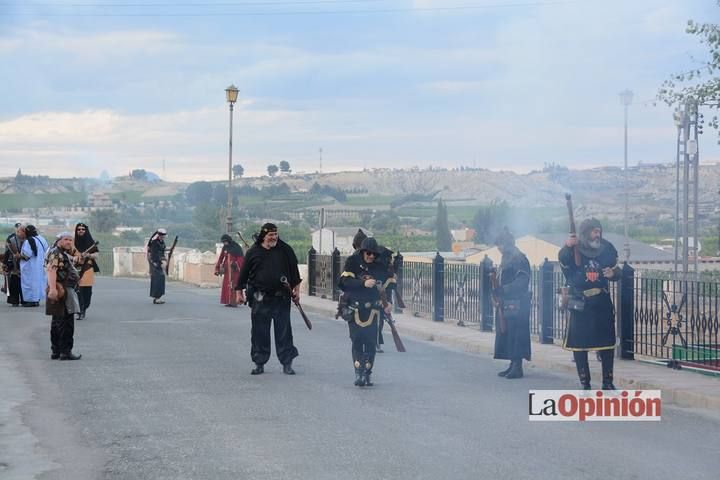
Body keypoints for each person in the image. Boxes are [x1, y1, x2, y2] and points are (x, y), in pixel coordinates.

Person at [559, 218, 620, 390]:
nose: (597, 234)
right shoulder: (573, 249)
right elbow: (563, 261)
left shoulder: (606, 248)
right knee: (579, 346)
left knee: (607, 345)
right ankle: (585, 382)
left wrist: (613, 273)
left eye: (599, 231)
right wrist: (567, 246)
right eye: (594, 231)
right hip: (581, 304)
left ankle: (607, 382)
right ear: (586, 233)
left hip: (601, 303)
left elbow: (618, 270)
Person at [236, 223, 302, 375]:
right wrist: (239, 292)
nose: (274, 238)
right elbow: (244, 274)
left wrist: (297, 292)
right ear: (263, 236)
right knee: (259, 332)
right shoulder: (253, 252)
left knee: (284, 332)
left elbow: (295, 274)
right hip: (260, 298)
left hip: (281, 298)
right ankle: (259, 362)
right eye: (271, 235)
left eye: (276, 234)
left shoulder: (285, 250)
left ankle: (287, 363)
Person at [338, 237, 392, 387]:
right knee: (357, 341)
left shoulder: (380, 267)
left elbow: (387, 287)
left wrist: (388, 304)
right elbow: (343, 283)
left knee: (370, 342)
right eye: (368, 253)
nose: (371, 256)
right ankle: (358, 373)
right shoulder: (352, 263)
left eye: (374, 254)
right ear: (362, 252)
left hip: (374, 310)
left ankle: (367, 373)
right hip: (355, 309)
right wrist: (363, 283)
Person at [492, 228, 532, 379]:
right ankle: (512, 364)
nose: (499, 249)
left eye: (500, 245)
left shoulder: (519, 259)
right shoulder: (507, 259)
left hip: (518, 303)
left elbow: (522, 281)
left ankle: (517, 366)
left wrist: (504, 289)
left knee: (517, 335)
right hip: (507, 302)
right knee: (508, 334)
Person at [45, 232, 82, 360]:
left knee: (58, 321)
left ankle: (56, 351)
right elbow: (51, 270)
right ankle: (65, 351)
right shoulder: (56, 253)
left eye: (70, 240)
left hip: (62, 288)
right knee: (65, 322)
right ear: (59, 240)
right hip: (62, 290)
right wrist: (53, 289)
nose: (68, 242)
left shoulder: (61, 253)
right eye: (66, 239)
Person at [72, 223, 100, 320]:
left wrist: (88, 255)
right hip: (75, 268)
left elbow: (96, 255)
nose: (81, 231)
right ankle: (80, 310)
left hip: (87, 268)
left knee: (87, 291)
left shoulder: (90, 242)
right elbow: (68, 254)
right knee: (78, 290)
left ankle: (84, 307)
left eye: (83, 229)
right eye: (79, 229)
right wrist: (75, 258)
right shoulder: (72, 242)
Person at [19, 224, 48, 307]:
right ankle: (36, 300)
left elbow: (26, 255)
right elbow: (46, 250)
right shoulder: (42, 239)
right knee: (38, 282)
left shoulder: (28, 241)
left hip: (30, 266)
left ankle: (31, 301)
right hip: (39, 266)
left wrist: (18, 256)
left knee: (29, 283)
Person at [214, 234, 244, 307]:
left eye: (226, 241)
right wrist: (217, 268)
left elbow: (241, 259)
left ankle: (235, 302)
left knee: (234, 286)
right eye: (223, 242)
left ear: (229, 240)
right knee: (227, 286)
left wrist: (235, 264)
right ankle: (229, 301)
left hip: (235, 270)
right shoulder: (225, 248)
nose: (225, 243)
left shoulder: (236, 247)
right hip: (227, 270)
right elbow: (221, 258)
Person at [3, 223, 24, 307]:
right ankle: (14, 300)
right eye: (18, 230)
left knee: (22, 283)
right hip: (14, 264)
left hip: (23, 264)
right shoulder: (11, 238)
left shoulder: (27, 239)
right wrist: (5, 264)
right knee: (14, 282)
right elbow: (7, 251)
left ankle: (23, 300)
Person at [147, 228, 168, 304]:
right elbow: (154, 254)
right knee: (158, 279)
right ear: (159, 235)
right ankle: (156, 298)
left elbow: (162, 250)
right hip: (155, 262)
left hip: (159, 261)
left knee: (161, 278)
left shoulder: (161, 242)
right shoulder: (155, 242)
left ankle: (158, 297)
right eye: (162, 235)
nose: (163, 237)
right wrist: (157, 262)